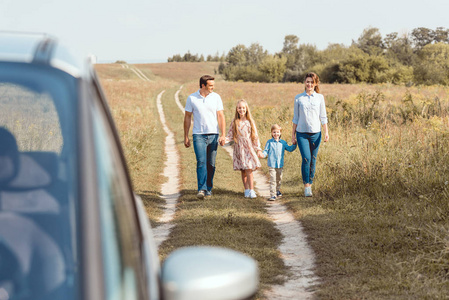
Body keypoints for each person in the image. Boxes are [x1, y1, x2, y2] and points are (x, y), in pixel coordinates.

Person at [184, 75, 226, 199]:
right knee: (201, 162)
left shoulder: (216, 97)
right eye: (210, 86)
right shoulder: (192, 98)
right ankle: (201, 189)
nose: (213, 87)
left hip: (213, 134)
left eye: (213, 85)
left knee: (211, 164)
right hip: (198, 135)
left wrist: (223, 134)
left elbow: (220, 116)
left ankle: (208, 188)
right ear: (203, 85)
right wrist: (186, 136)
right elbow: (187, 117)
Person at [291, 72, 329, 197]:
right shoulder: (298, 98)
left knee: (313, 159)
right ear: (304, 82)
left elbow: (323, 116)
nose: (310, 84)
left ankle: (311, 183)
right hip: (301, 133)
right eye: (308, 81)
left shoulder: (320, 98)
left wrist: (326, 132)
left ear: (316, 83)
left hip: (316, 133)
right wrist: (293, 135)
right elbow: (295, 118)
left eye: (312, 82)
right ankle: (306, 186)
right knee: (306, 158)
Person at [224, 99, 263, 198]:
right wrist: (224, 140)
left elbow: (255, 136)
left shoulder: (250, 121)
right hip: (239, 148)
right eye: (239, 108)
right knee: (243, 169)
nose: (241, 110)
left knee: (249, 168)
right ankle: (246, 189)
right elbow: (230, 134)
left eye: (243, 108)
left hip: (248, 147)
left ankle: (252, 190)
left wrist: (258, 149)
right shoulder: (235, 121)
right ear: (237, 109)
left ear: (246, 109)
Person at [261, 124, 297, 201]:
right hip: (272, 164)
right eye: (274, 132)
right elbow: (265, 151)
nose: (276, 134)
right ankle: (272, 195)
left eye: (277, 132)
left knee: (279, 179)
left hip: (280, 164)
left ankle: (277, 190)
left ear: (280, 133)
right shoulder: (269, 142)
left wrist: (295, 144)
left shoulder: (283, 142)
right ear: (271, 133)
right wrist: (262, 155)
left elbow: (289, 149)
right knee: (273, 179)